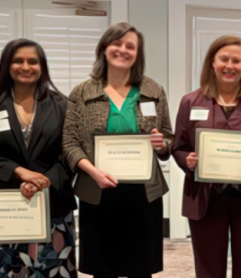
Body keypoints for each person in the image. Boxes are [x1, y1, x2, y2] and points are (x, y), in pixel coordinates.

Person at [62, 22, 173, 278]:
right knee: (103, 269)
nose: (123, 50)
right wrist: (93, 172)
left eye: (130, 46)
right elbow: (69, 142)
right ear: (104, 48)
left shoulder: (153, 90)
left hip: (144, 193)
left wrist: (162, 144)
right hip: (97, 189)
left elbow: (168, 137)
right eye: (117, 43)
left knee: (140, 268)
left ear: (138, 54)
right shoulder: (82, 92)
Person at [171, 35, 241, 278]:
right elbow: (178, 147)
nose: (229, 66)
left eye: (236, 60)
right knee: (208, 271)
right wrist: (187, 160)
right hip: (206, 197)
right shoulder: (190, 102)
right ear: (212, 62)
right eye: (223, 59)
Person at [0, 38, 76, 278]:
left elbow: (69, 153)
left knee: (53, 271)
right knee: (6, 271)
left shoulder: (62, 104)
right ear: (7, 65)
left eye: (32, 62)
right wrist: (20, 172)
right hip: (2, 202)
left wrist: (43, 181)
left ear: (42, 66)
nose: (25, 67)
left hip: (52, 202)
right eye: (18, 61)